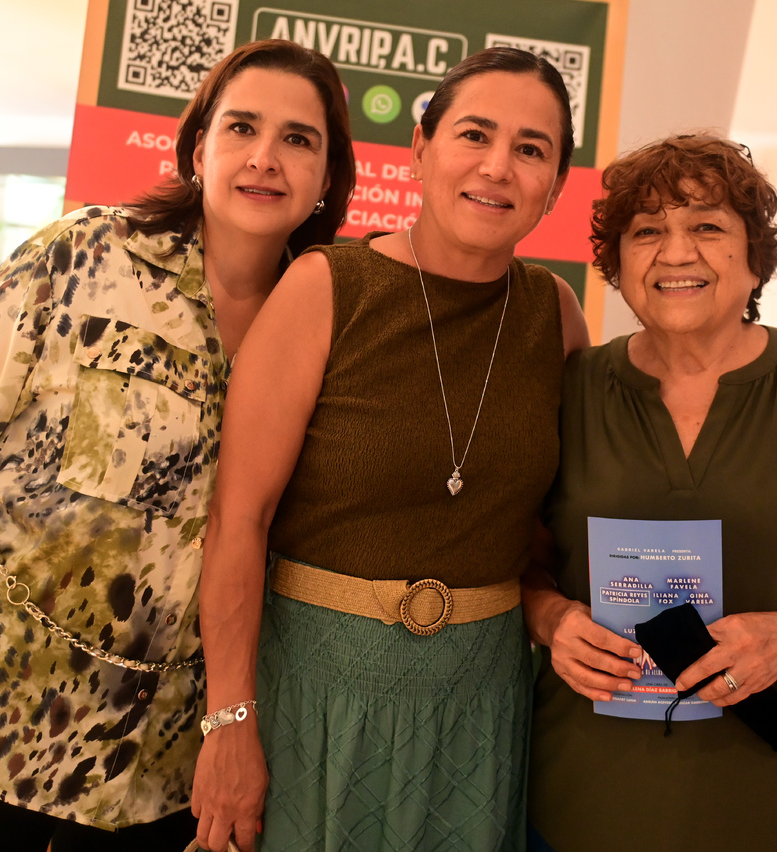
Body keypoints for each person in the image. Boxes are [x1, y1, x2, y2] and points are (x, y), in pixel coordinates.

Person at [0, 39, 354, 852]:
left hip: (158, 759)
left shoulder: (327, 324)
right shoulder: (82, 255)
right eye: (242, 128)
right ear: (199, 149)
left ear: (328, 177)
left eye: (298, 139)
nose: (265, 157)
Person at [190, 47, 591, 852]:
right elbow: (238, 522)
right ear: (419, 149)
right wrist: (229, 722)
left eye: (530, 149)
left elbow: (552, 536)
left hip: (481, 707)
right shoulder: (325, 287)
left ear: (554, 185)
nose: (498, 167)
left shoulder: (556, 314)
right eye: (474, 134)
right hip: (315, 698)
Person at [520, 135, 777, 851]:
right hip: (582, 797)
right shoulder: (572, 386)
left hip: (772, 804)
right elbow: (522, 567)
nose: (676, 252)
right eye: (646, 231)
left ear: (756, 259)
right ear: (617, 263)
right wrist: (551, 619)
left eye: (707, 226)